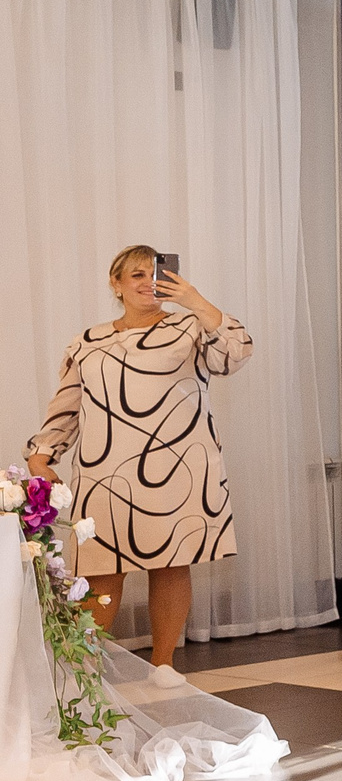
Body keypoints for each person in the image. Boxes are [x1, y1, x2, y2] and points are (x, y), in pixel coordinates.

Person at [25, 246, 251, 682]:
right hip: (104, 468)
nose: (149, 281)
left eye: (156, 273)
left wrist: (195, 300)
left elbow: (237, 352)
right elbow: (67, 405)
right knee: (101, 568)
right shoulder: (88, 341)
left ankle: (163, 663)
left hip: (178, 464)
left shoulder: (190, 327)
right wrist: (42, 453)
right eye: (136, 275)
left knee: (171, 562)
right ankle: (82, 668)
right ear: (116, 284)